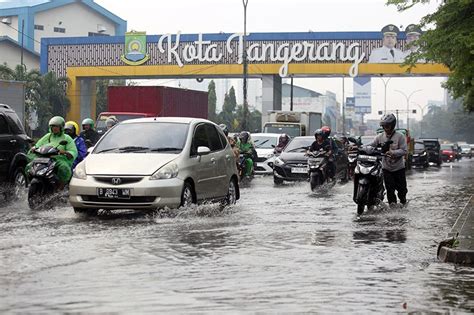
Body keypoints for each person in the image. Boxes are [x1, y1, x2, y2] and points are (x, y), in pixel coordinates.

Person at [366, 113, 408, 207]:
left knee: (402, 190)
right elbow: (371, 145)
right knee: (390, 189)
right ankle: (392, 207)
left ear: (392, 125)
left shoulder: (400, 136)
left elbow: (404, 150)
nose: (385, 128)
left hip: (399, 168)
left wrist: (393, 153)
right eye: (383, 126)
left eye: (387, 126)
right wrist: (360, 147)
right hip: (386, 168)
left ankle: (403, 202)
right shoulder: (380, 137)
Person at [27, 116, 78, 188]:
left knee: (63, 168)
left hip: (58, 159)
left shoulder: (67, 138)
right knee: (29, 166)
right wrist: (34, 148)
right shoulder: (47, 136)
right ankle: (28, 185)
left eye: (56, 126)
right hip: (44, 158)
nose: (54, 128)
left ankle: (60, 188)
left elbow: (73, 151)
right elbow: (38, 145)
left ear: (61, 127)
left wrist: (64, 152)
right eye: (52, 126)